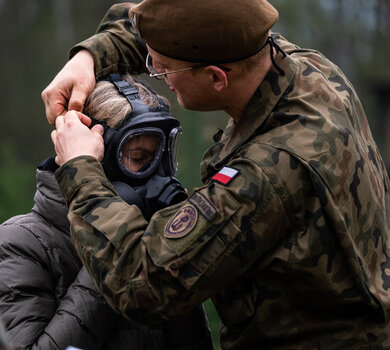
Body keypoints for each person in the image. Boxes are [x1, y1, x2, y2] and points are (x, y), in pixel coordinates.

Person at [44, 1, 390, 349]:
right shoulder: (304, 67)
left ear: (216, 76)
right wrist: (87, 59)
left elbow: (143, 284)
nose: (157, 74)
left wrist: (81, 168)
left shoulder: (266, 172)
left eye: (162, 71)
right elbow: (185, 17)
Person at [0, 73, 214, 350]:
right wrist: (110, 249)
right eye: (138, 159)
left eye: (163, 159)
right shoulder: (20, 243)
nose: (158, 177)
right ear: (91, 156)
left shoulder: (151, 240)